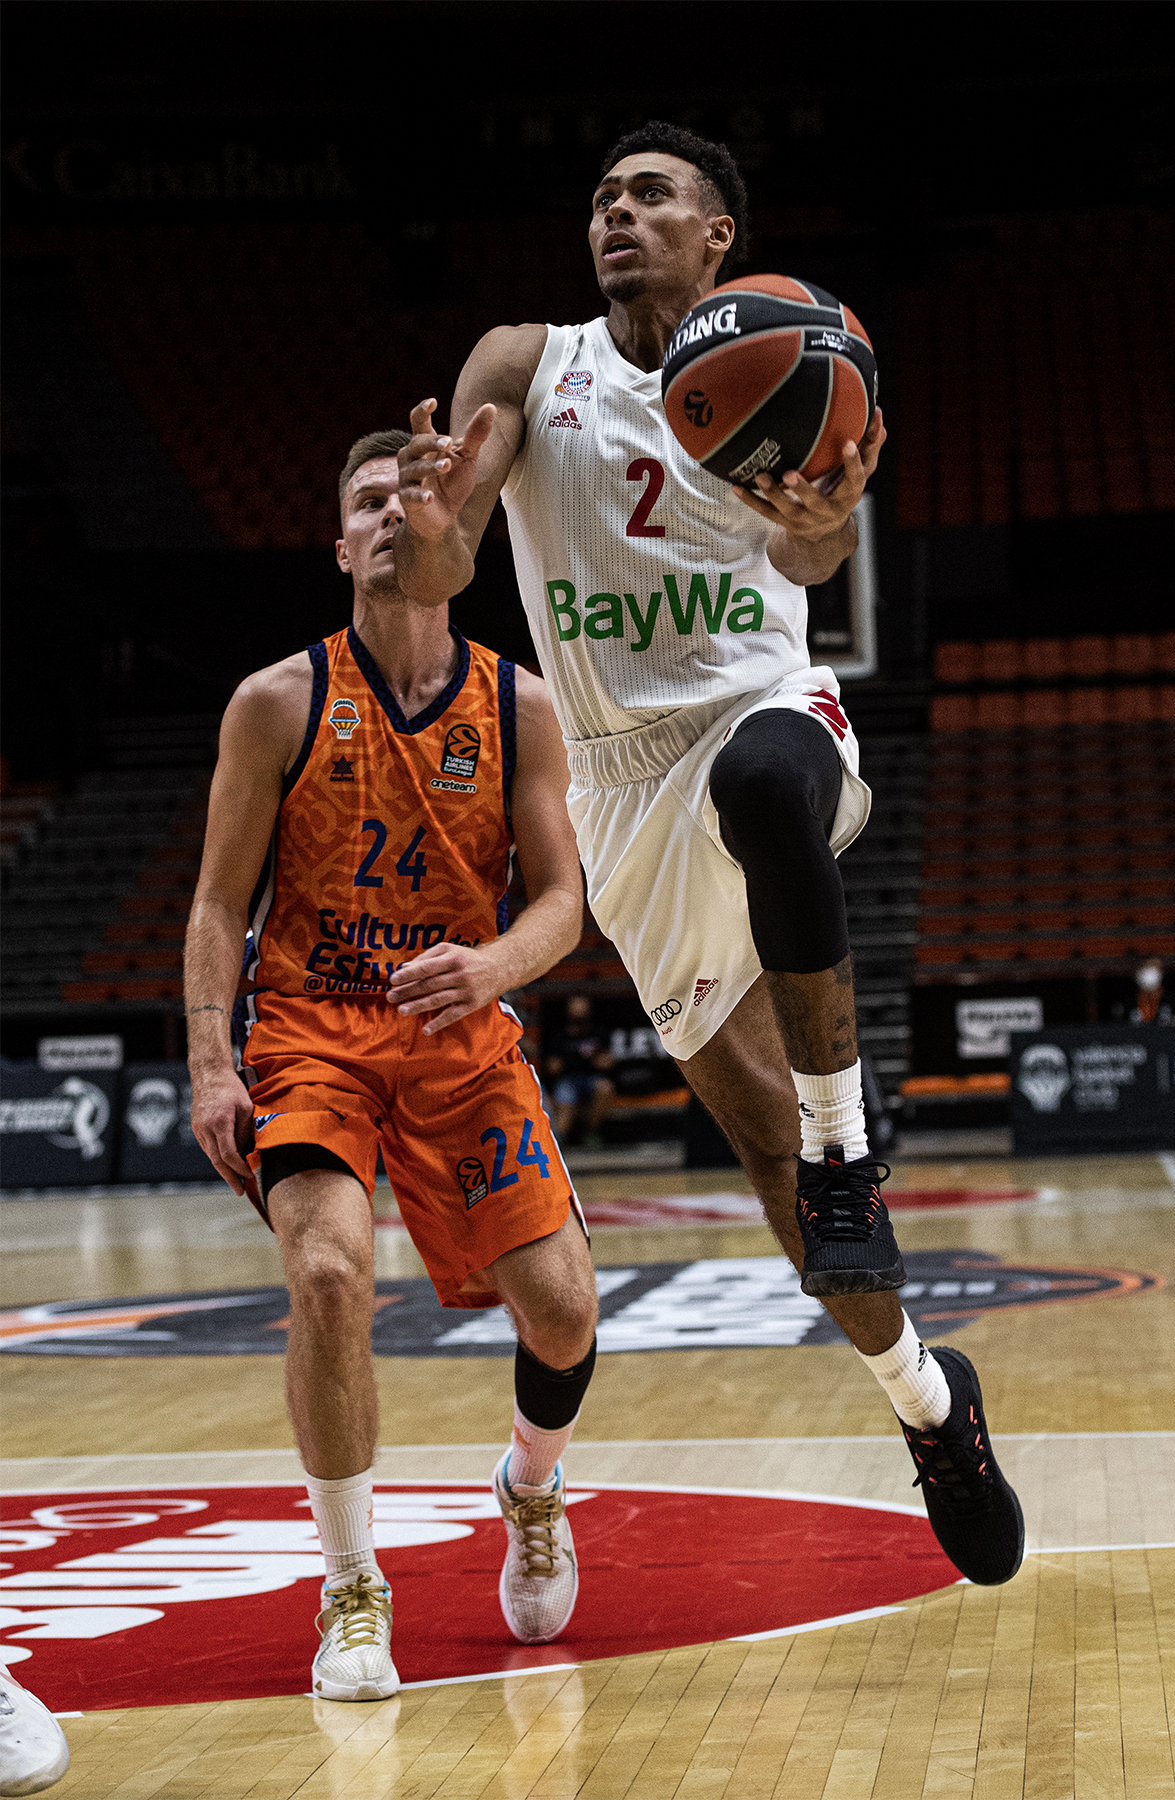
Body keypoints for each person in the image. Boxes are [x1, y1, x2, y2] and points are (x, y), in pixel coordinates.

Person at [388, 121, 1024, 1586]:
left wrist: (826, 526)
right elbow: (445, 571)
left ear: (717, 236)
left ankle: (849, 1138)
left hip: (763, 709)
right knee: (806, 1226)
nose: (618, 215)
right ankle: (933, 1405)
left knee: (767, 777)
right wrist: (425, 529)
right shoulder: (522, 361)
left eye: (652, 196)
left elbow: (805, 562)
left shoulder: (798, 355)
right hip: (619, 794)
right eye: (604, 197)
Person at [185, 431, 601, 1703]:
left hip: (460, 1042)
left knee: (567, 1311)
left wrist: (494, 967)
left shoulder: (519, 704)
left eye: (408, 498)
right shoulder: (275, 701)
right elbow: (214, 908)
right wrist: (213, 1064)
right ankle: (352, 1587)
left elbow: (564, 906)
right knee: (326, 1270)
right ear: (339, 545)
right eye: (361, 501)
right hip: (311, 1031)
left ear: (451, 536)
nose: (384, 517)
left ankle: (529, 1487)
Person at [544, 993, 615, 1144]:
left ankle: (590, 1133)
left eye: (582, 1007)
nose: (579, 1011)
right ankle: (559, 1143)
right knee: (566, 1098)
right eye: (575, 1007)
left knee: (605, 1088)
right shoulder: (559, 1035)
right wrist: (584, 1060)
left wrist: (572, 1060)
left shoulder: (598, 1032)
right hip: (567, 1080)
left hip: (591, 1079)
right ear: (568, 1010)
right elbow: (553, 1067)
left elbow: (607, 1062)